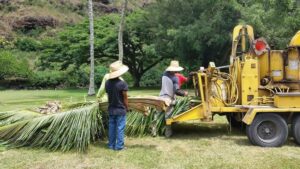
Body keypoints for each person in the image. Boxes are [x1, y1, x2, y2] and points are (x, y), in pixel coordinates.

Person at [159, 60, 188, 137]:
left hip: (161, 96)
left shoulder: (164, 74)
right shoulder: (175, 78)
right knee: (168, 116)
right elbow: (176, 91)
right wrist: (184, 93)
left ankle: (155, 130)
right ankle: (168, 133)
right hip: (168, 99)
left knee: (159, 114)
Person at [105, 61, 129, 151]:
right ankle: (119, 146)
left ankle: (111, 145)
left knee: (112, 127)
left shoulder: (107, 83)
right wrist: (127, 107)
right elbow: (125, 98)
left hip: (111, 108)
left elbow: (108, 96)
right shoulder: (122, 84)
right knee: (120, 128)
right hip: (120, 109)